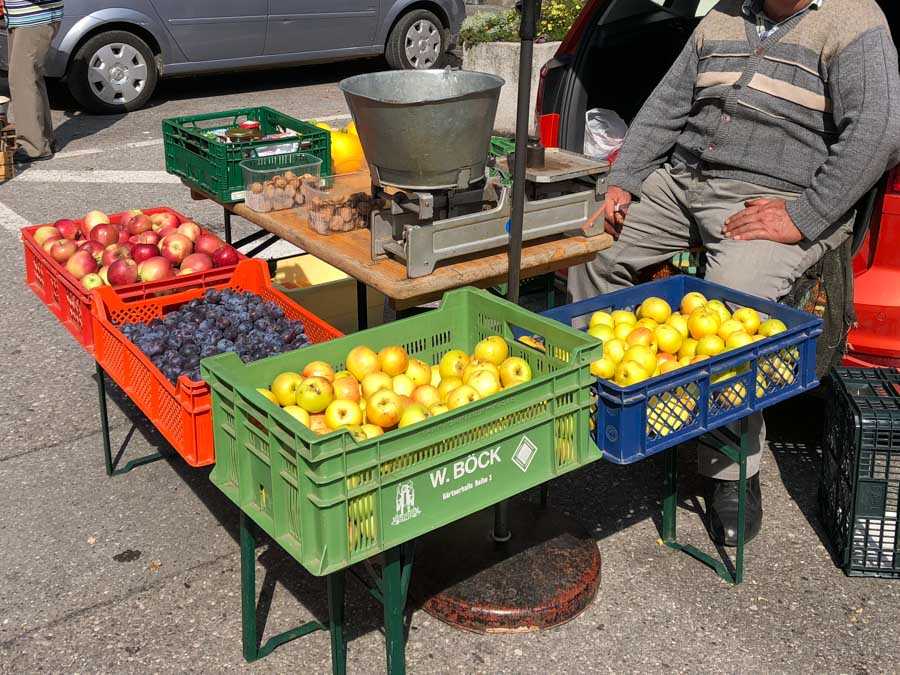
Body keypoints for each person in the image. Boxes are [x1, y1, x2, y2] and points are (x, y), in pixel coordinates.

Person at [569, 0, 900, 545]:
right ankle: (616, 405)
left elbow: (881, 131)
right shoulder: (720, 17)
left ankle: (732, 472)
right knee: (589, 252)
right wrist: (624, 179)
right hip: (684, 181)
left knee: (735, 306)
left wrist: (804, 215)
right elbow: (664, 108)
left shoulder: (853, 18)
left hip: (772, 196)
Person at [3, 0, 63, 161]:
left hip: (35, 18)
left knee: (22, 80)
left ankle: (34, 147)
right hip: (25, 18)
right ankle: (44, 140)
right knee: (30, 78)